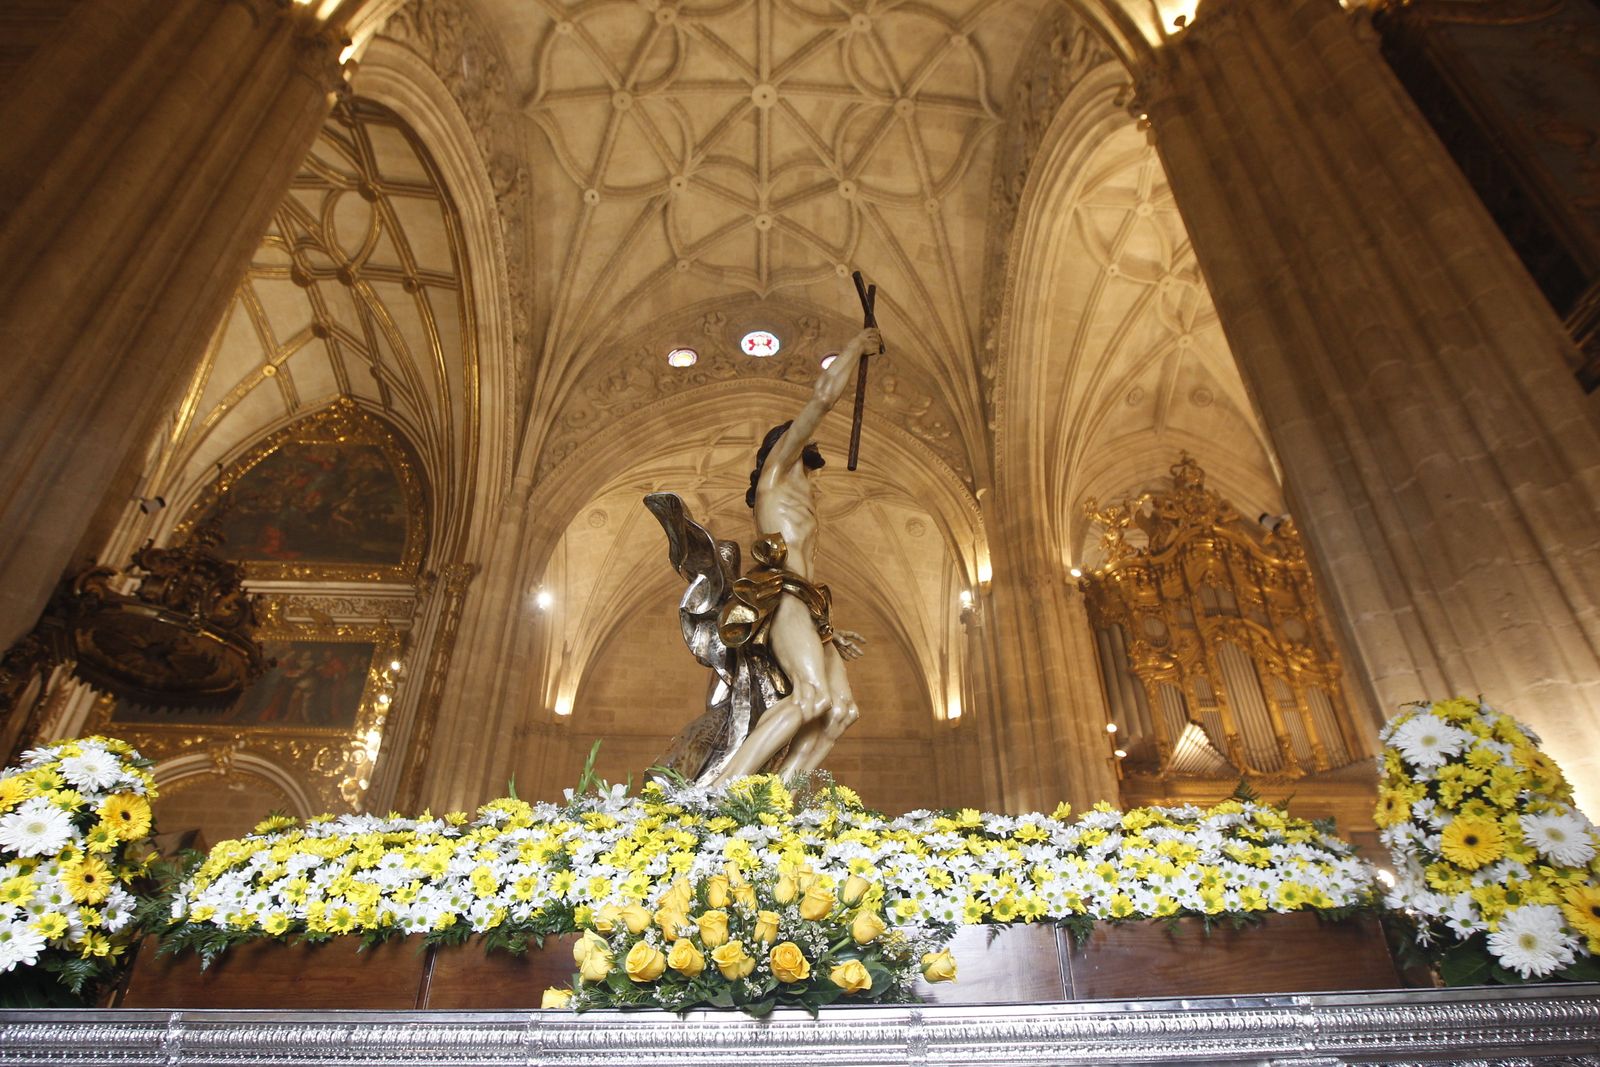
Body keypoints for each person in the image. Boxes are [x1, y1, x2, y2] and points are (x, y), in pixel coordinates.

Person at [709, 327, 878, 783]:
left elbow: (804, 573)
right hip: (782, 599)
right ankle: (724, 792)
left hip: (808, 605)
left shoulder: (805, 502)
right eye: (809, 456)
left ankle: (776, 801)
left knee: (841, 711)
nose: (813, 471)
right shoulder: (775, 478)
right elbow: (823, 398)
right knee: (810, 698)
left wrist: (829, 630)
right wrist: (855, 347)